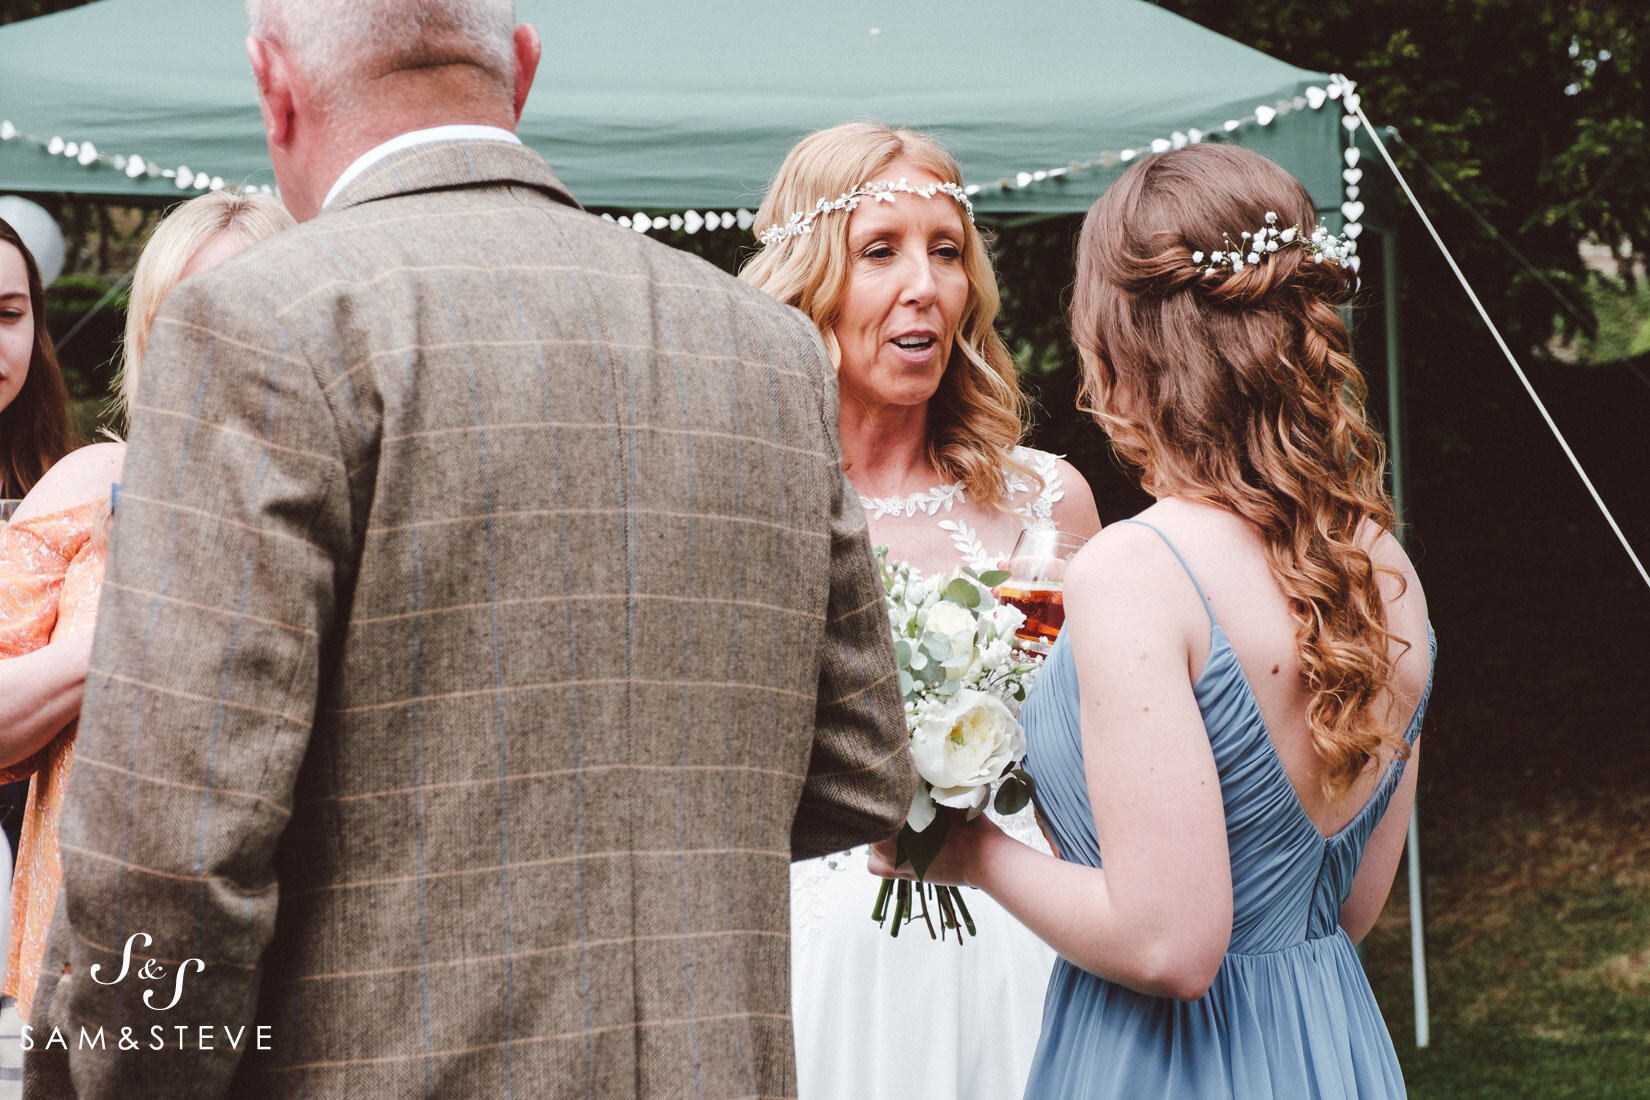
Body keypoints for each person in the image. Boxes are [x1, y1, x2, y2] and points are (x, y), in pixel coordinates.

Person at [26, 2, 912, 1097]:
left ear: (273, 84)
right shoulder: (762, 344)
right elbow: (864, 762)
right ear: (522, 71)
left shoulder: (266, 322)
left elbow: (172, 849)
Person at [870, 142, 1434, 1098]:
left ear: (1116, 338)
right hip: (1328, 1045)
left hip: (1167, 1064)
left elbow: (1171, 946)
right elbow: (1352, 907)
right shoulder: (1383, 566)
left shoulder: (1140, 570)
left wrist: (965, 852)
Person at [741, 121, 1101, 1099]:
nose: (925, 287)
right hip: (819, 961)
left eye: (947, 251)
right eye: (881, 251)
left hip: (1027, 948)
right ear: (811, 278)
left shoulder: (1046, 503)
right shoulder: (747, 504)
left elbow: (1089, 749)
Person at [0, 189, 293, 1024]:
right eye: (188, 312)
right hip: (94, 949)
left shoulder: (344, 501)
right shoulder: (90, 484)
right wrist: (131, 630)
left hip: (283, 939)